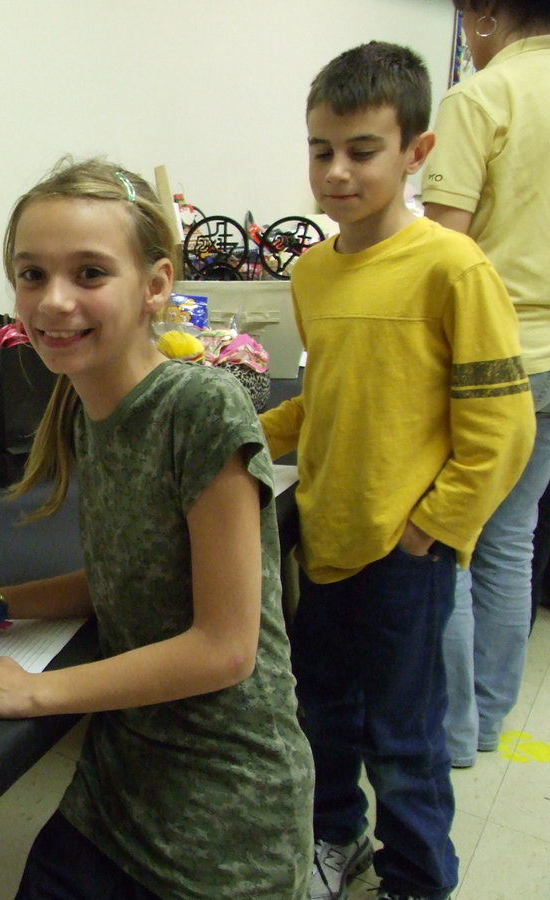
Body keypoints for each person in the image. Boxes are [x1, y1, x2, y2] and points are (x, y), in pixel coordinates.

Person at [0, 157, 314, 899]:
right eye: (31, 274)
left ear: (157, 285)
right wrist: (2, 602)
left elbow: (225, 650)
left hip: (224, 815)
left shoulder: (200, 410)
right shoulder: (85, 403)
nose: (53, 301)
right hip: (120, 780)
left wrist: (30, 694)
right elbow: (127, 574)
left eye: (90, 273)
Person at [258, 42, 534, 900]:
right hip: (327, 538)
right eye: (320, 150)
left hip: (403, 556)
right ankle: (338, 839)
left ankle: (419, 878)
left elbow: (500, 426)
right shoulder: (311, 271)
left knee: (406, 739)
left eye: (362, 150)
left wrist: (430, 531)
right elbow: (325, 401)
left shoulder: (454, 268)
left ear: (417, 153)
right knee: (322, 715)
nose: (336, 172)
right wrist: (235, 433)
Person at [421, 0, 550, 770]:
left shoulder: (481, 97)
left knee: (452, 543)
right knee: (513, 538)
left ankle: (453, 733)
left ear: (492, 13)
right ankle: (489, 720)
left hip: (498, 357)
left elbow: (442, 255)